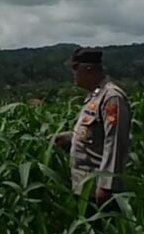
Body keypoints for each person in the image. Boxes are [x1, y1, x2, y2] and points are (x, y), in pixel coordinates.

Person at [53, 47, 131, 211]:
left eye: (75, 69)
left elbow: (115, 143)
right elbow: (94, 134)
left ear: (88, 69)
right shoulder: (95, 95)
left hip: (98, 190)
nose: (73, 74)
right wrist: (69, 138)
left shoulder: (111, 98)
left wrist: (106, 185)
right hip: (85, 186)